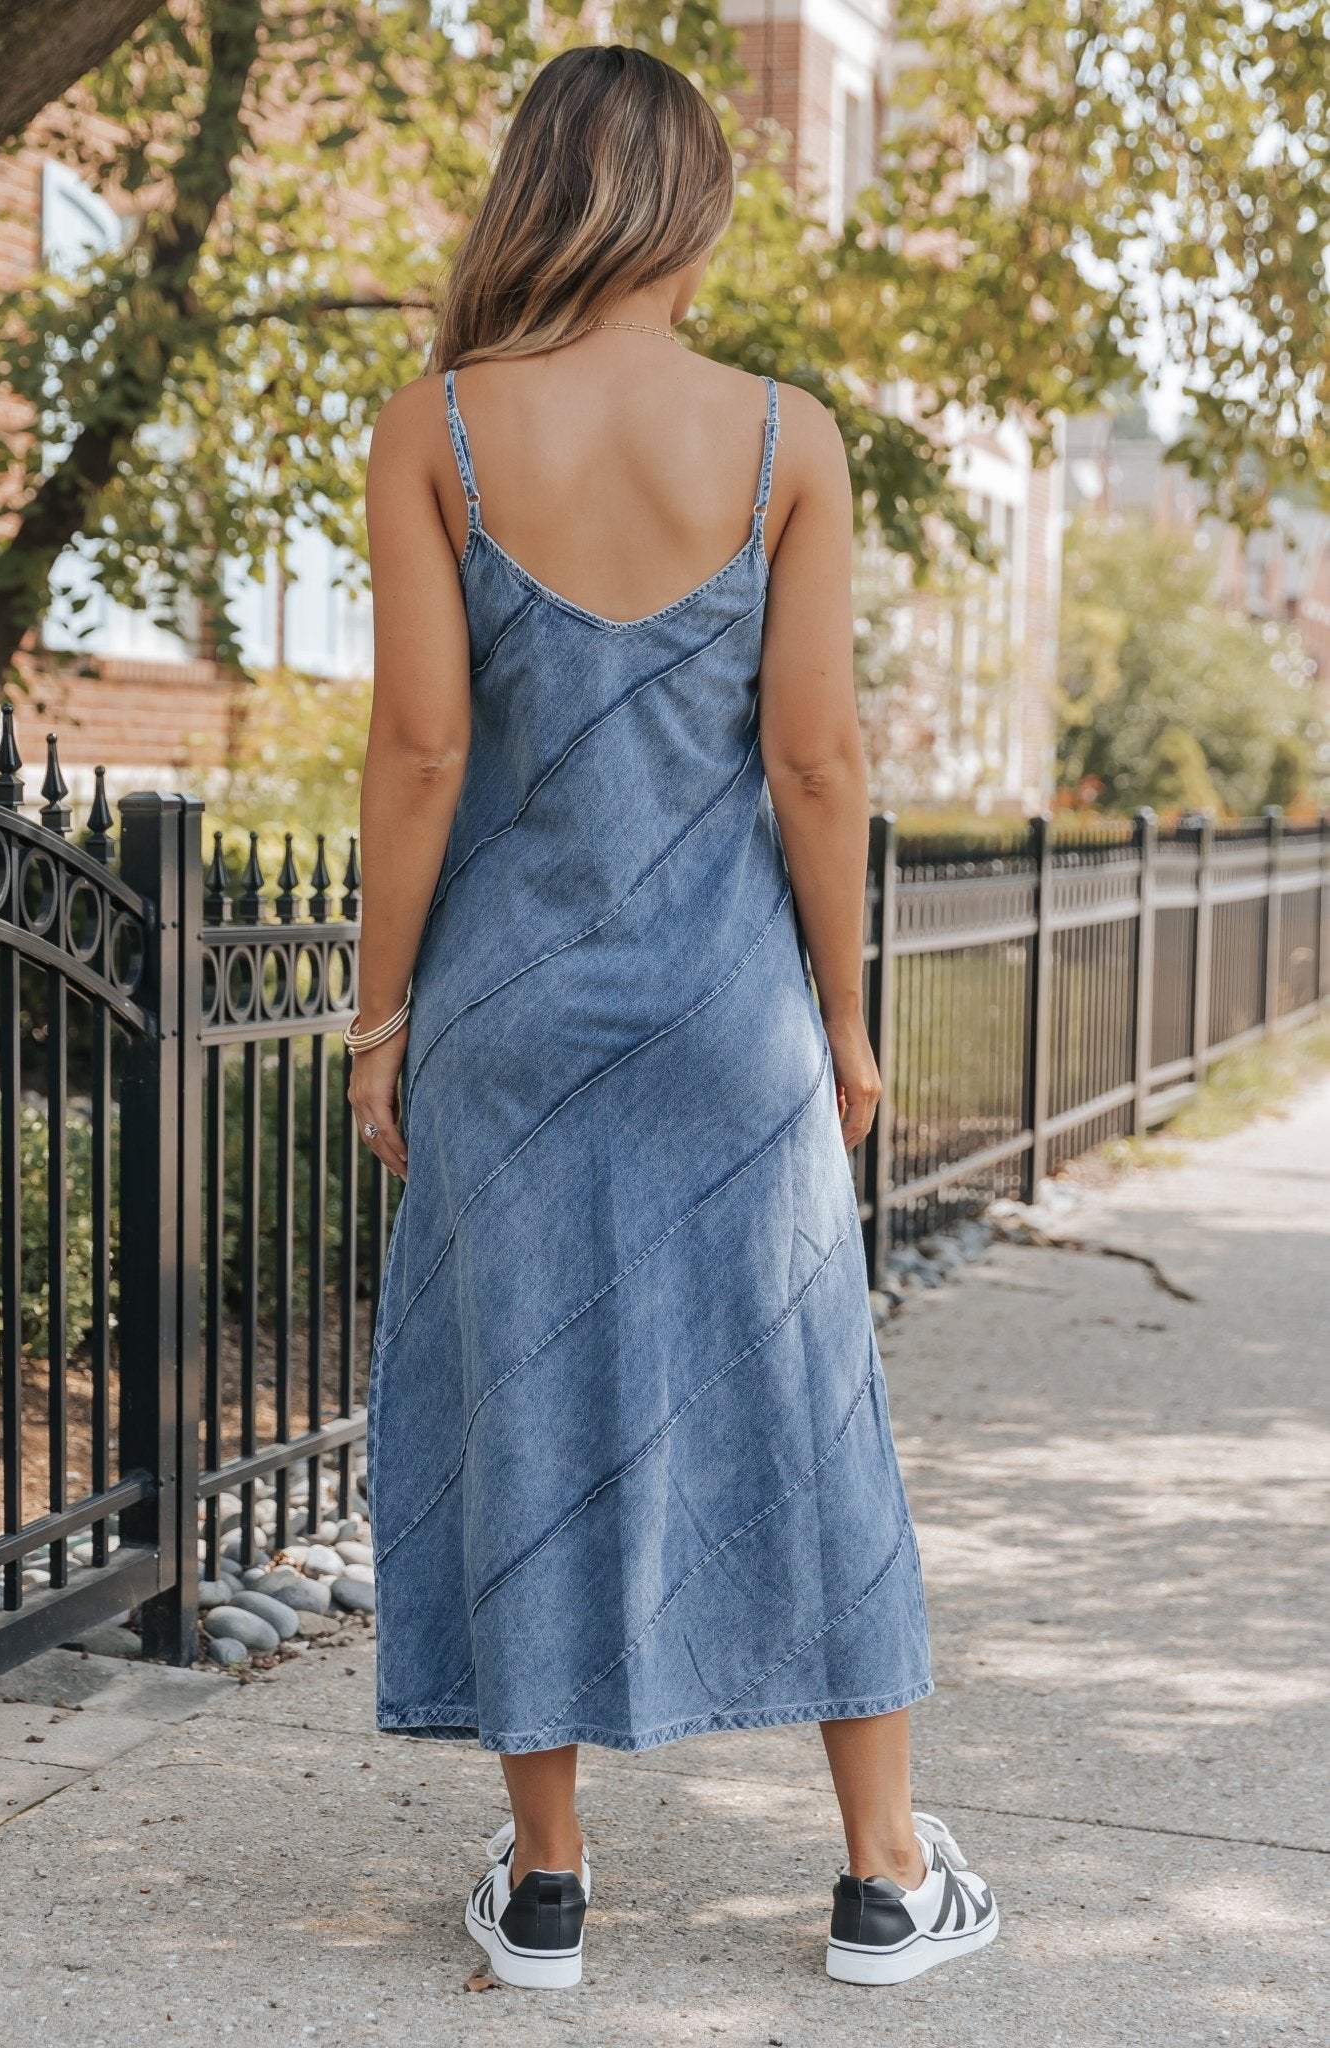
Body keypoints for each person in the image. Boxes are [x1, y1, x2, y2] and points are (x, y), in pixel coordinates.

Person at [350, 42, 997, 1994]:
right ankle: (882, 1877)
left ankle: (547, 1886)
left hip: (509, 1023)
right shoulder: (784, 436)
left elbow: (418, 748)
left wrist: (377, 1022)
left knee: (519, 1401)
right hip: (728, 1024)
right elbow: (816, 762)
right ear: (687, 210)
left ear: (533, 195)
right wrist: (846, 1025)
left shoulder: (435, 429)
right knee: (809, 1413)